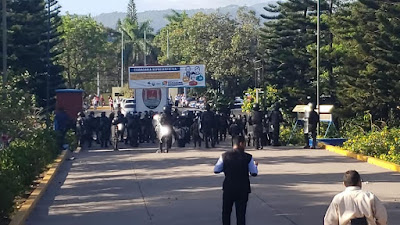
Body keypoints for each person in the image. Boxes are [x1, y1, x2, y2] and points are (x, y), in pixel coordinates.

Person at [214, 135, 258, 225]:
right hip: (243, 188)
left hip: (228, 187)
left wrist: (226, 168)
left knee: (226, 212)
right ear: (241, 144)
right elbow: (254, 173)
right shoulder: (248, 157)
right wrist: (255, 166)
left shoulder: (224, 156)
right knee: (241, 214)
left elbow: (216, 170)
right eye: (245, 144)